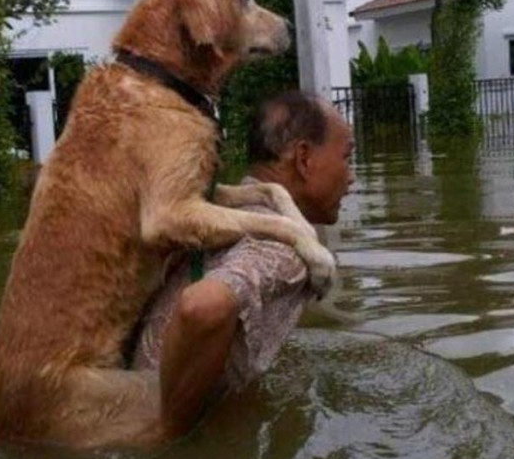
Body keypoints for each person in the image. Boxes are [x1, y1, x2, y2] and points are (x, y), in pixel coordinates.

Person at [131, 90, 354, 432]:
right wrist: (169, 433)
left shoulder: (215, 214)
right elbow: (203, 307)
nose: (351, 176)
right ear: (304, 159)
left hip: (116, 401)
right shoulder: (282, 249)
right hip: (143, 435)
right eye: (347, 157)